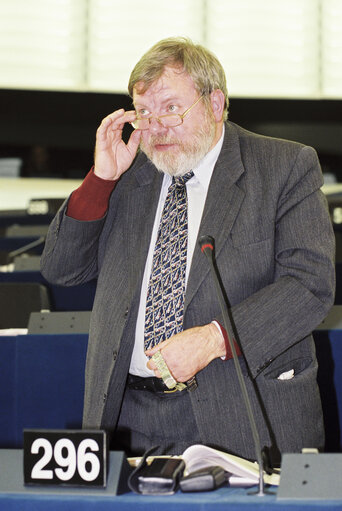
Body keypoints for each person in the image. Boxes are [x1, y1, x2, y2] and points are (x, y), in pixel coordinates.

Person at [41, 37, 335, 463]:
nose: (155, 126)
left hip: (244, 413)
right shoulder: (128, 173)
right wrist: (101, 179)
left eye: (171, 108)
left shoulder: (283, 167)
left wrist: (215, 339)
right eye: (144, 112)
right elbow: (62, 270)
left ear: (215, 104)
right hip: (129, 418)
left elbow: (309, 287)